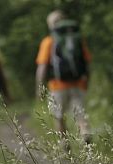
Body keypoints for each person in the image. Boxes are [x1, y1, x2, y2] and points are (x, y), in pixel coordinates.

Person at [35, 10, 91, 146]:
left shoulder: (48, 41)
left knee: (59, 117)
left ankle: (64, 144)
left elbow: (42, 68)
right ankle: (85, 133)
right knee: (79, 113)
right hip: (78, 83)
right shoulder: (78, 39)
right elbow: (87, 62)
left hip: (57, 85)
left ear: (50, 25)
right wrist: (87, 80)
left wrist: (39, 88)